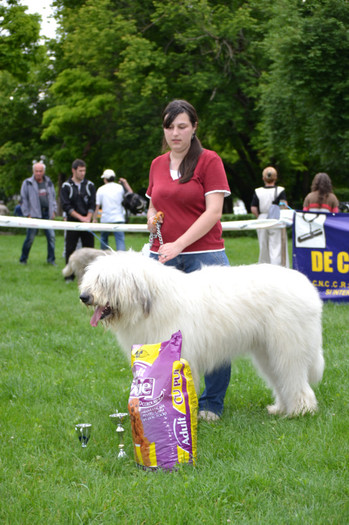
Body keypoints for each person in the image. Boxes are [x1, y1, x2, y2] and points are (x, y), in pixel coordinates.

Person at [146, 99, 231, 422]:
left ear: (195, 127)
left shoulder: (210, 161)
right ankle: (167, 396)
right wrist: (152, 219)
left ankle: (212, 402)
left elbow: (214, 212)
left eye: (182, 126)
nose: (175, 133)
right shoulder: (156, 164)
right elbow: (154, 204)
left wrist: (180, 244)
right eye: (169, 127)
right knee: (161, 329)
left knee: (217, 330)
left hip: (204, 256)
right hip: (163, 258)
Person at [60, 159, 96, 273]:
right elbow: (66, 206)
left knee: (90, 249)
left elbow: (92, 203)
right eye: (80, 171)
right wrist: (81, 218)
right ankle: (69, 275)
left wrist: (88, 217)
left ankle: (90, 274)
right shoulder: (66, 186)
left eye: (84, 171)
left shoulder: (90, 185)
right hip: (72, 222)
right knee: (70, 248)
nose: (82, 173)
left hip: (87, 222)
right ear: (73, 170)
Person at [19, 162, 57, 265]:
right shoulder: (27, 183)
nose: (38, 173)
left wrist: (54, 210)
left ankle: (51, 260)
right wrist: (27, 214)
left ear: (43, 171)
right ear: (33, 171)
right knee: (30, 239)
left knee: (51, 238)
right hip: (33, 215)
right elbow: (23, 200)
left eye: (40, 171)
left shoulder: (48, 182)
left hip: (47, 214)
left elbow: (53, 197)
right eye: (37, 171)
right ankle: (23, 259)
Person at [251, 166, 289, 266]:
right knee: (276, 246)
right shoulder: (280, 190)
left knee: (263, 246)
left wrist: (259, 216)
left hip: (262, 219)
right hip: (276, 218)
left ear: (263, 178)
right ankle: (277, 266)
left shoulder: (258, 191)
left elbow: (253, 208)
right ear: (275, 177)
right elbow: (284, 205)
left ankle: (264, 266)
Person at [92, 169, 133, 250]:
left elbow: (97, 206)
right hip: (119, 218)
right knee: (120, 240)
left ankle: (104, 258)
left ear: (105, 179)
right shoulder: (120, 188)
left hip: (105, 219)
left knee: (104, 240)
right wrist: (125, 182)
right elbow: (131, 193)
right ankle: (121, 259)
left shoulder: (101, 189)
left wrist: (94, 218)